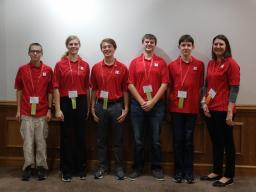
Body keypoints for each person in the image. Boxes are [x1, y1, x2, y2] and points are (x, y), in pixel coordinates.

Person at [200, 35, 240, 187]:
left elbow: (235, 89)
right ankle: (216, 171)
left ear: (226, 46)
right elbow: (206, 85)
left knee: (227, 143)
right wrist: (204, 103)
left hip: (224, 109)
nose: (217, 46)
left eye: (221, 44)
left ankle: (228, 175)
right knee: (216, 142)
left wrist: (230, 112)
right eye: (215, 44)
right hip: (211, 108)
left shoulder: (232, 64)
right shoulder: (211, 63)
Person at [128, 34, 169, 180]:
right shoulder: (135, 62)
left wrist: (152, 102)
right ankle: (137, 168)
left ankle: (157, 168)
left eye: (152, 42)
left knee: (155, 139)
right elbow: (130, 83)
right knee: (138, 139)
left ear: (155, 44)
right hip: (137, 105)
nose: (149, 44)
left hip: (157, 106)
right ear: (143, 43)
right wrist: (141, 101)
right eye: (146, 42)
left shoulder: (161, 62)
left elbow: (165, 84)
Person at [90, 38, 129, 180]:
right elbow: (94, 89)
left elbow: (125, 90)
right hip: (101, 105)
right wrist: (92, 107)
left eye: (109, 47)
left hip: (116, 105)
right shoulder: (96, 67)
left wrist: (126, 108)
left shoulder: (123, 67)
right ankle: (102, 167)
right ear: (101, 49)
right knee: (101, 139)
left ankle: (119, 167)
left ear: (114, 48)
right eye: (104, 47)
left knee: (118, 140)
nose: (107, 49)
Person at [53, 35, 90, 182]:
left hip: (80, 101)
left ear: (79, 45)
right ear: (67, 46)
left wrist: (87, 106)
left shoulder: (85, 65)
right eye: (71, 44)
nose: (73, 46)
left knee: (81, 136)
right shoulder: (60, 64)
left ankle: (80, 168)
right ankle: (66, 170)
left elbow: (87, 88)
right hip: (65, 102)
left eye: (76, 44)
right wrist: (57, 109)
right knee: (67, 137)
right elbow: (55, 87)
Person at [168, 35, 204, 184]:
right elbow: (168, 86)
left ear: (193, 47)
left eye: (188, 45)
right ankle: (178, 171)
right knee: (177, 141)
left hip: (191, 109)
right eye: (183, 45)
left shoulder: (200, 65)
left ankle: (189, 171)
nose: (186, 48)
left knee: (189, 141)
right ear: (179, 47)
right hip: (176, 108)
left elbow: (201, 86)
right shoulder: (172, 65)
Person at [15, 43, 53, 181]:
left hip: (42, 112)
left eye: (38, 51)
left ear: (42, 53)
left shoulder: (48, 70)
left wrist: (49, 109)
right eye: (33, 51)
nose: (35, 54)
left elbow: (50, 92)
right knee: (27, 142)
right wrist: (18, 110)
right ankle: (28, 167)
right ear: (29, 53)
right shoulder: (22, 69)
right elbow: (19, 90)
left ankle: (41, 167)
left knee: (41, 142)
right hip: (26, 111)